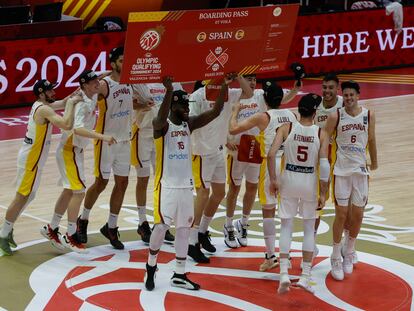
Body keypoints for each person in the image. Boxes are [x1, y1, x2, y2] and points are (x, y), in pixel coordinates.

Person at [144, 74, 235, 291]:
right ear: (173, 105)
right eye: (184, 103)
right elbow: (158, 119)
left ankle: (179, 273)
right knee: (160, 228)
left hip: (185, 186)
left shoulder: (189, 124)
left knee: (184, 229)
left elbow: (215, 111)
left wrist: (224, 86)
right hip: (166, 186)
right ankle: (150, 266)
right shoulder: (162, 127)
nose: (188, 108)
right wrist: (168, 91)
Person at [0, 80, 80, 256]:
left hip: (33, 159)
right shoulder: (44, 109)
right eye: (50, 90)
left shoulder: (43, 105)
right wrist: (73, 104)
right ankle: (3, 234)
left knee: (29, 195)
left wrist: (80, 89)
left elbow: (65, 102)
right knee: (22, 197)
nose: (54, 92)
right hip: (31, 160)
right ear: (42, 93)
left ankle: (8, 228)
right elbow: (66, 124)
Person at [40, 70, 116, 253]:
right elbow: (78, 130)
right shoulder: (81, 103)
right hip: (70, 150)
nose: (98, 84)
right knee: (79, 191)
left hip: (75, 151)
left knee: (69, 191)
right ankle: (71, 234)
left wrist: (108, 72)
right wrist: (102, 137)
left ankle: (52, 227)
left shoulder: (90, 93)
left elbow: (95, 78)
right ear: (84, 85)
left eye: (97, 81)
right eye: (93, 82)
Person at [228, 81, 297, 271]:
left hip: (270, 165)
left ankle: (270, 255)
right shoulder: (292, 115)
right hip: (289, 166)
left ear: (265, 98)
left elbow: (233, 129)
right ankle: (286, 255)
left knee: (268, 211)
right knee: (286, 213)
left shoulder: (262, 117)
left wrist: (234, 111)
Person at [267, 93, 330, 294]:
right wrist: (324, 191)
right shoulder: (321, 133)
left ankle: (284, 274)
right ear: (315, 111)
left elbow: (270, 154)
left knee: (286, 225)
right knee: (309, 228)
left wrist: (274, 180)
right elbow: (324, 164)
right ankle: (305, 276)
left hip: (289, 179)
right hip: (309, 181)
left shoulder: (287, 127)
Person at [188, 76, 252, 263]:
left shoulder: (229, 93)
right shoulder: (198, 95)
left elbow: (248, 93)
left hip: (218, 151)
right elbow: (191, 121)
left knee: (218, 193)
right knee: (203, 193)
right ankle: (191, 243)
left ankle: (201, 232)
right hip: (201, 151)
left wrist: (238, 76)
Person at [76, 46, 134, 250]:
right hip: (106, 141)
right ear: (113, 63)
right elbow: (83, 90)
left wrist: (142, 104)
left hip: (125, 140)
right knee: (101, 182)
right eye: (120, 60)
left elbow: (129, 103)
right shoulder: (104, 84)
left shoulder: (130, 81)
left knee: (123, 183)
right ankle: (82, 220)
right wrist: (99, 76)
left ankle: (111, 226)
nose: (124, 63)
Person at [324, 81, 378, 281]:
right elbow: (324, 138)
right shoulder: (335, 116)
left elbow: (371, 139)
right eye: (345, 95)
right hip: (341, 171)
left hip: (360, 171)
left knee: (358, 214)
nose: (348, 98)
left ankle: (350, 250)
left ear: (358, 95)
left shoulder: (369, 115)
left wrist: (375, 161)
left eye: (351, 95)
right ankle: (336, 255)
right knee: (341, 214)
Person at [132, 82, 184, 244]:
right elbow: (128, 102)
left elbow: (180, 103)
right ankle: (142, 222)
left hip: (163, 134)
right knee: (143, 178)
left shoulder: (173, 82)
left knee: (163, 180)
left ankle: (161, 223)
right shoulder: (141, 79)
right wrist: (140, 104)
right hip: (142, 133)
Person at [313, 73, 343, 258]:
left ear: (337, 88)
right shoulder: (315, 104)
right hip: (320, 158)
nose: (327, 91)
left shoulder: (344, 105)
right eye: (324, 87)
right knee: (318, 202)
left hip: (340, 158)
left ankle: (344, 247)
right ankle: (312, 243)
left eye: (331, 87)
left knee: (342, 204)